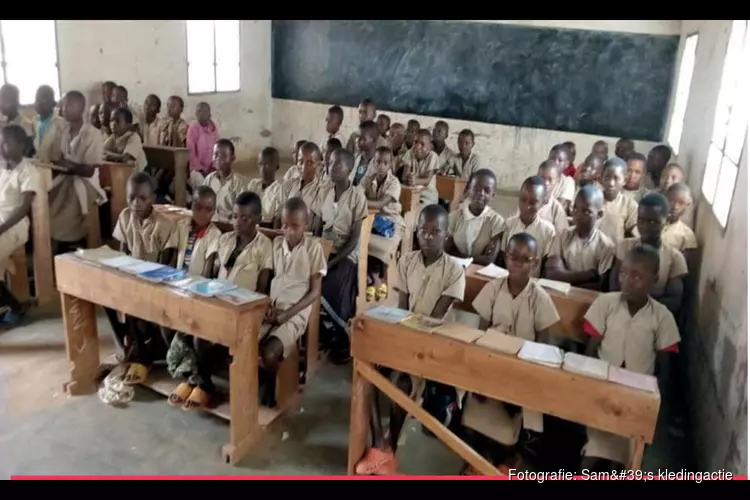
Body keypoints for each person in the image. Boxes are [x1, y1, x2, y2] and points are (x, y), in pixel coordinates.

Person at [355, 204, 465, 476]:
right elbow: (402, 310)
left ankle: (389, 447)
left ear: (446, 235)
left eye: (435, 232)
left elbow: (435, 319)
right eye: (423, 231)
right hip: (406, 336)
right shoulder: (407, 261)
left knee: (398, 383)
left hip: (432, 345)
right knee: (365, 371)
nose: (428, 237)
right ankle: (381, 445)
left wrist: (404, 342)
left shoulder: (453, 271)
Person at [461, 232, 560, 475]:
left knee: (513, 416)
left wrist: (521, 391)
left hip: (522, 369)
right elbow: (480, 335)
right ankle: (479, 457)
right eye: (513, 256)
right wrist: (477, 378)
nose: (517, 262)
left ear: (535, 263)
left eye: (525, 259)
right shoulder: (494, 288)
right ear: (506, 257)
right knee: (474, 411)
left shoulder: (540, 299)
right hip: (490, 361)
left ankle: (508, 459)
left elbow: (545, 351)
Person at [167, 191, 272, 409]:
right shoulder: (224, 240)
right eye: (234, 216)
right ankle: (195, 380)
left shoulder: (264, 247)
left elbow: (261, 289)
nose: (237, 222)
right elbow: (211, 276)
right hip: (218, 303)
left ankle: (204, 385)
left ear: (257, 219)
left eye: (244, 217)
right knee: (181, 324)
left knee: (200, 338)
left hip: (243, 310)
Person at [581, 244, 680, 472]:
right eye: (623, 273)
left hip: (637, 397)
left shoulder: (662, 317)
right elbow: (590, 351)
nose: (626, 280)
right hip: (602, 388)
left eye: (637, 276)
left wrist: (654, 410)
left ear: (654, 280)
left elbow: (664, 369)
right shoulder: (605, 304)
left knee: (626, 461)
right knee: (593, 456)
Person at [110, 172, 177, 384]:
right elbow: (121, 253)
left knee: (135, 300)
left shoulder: (163, 224)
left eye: (142, 198)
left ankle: (143, 354)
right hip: (133, 279)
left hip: (157, 282)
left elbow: (166, 264)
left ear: (153, 197)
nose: (136, 203)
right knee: (106, 295)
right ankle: (130, 345)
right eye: (131, 198)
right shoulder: (125, 217)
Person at [262, 197, 327, 406]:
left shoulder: (313, 249)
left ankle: (270, 385)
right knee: (244, 340)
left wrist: (286, 315)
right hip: (273, 309)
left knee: (270, 351)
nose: (289, 231)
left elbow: (314, 293)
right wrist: (267, 306)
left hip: (294, 313)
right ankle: (252, 379)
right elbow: (269, 279)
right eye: (285, 225)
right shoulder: (276, 244)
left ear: (305, 226)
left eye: (295, 226)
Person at [319, 148, 368, 343]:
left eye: (338, 164)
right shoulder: (324, 191)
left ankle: (341, 333)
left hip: (346, 250)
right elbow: (316, 227)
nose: (332, 167)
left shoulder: (357, 196)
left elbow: (355, 238)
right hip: (324, 245)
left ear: (349, 169)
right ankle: (320, 327)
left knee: (337, 279)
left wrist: (332, 263)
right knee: (308, 276)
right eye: (330, 162)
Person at [610, 193, 688, 316]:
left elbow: (674, 301)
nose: (645, 226)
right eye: (641, 220)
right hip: (621, 311)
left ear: (666, 220)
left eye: (653, 222)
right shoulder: (625, 247)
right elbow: (613, 285)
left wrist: (640, 307)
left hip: (654, 316)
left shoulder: (674, 258)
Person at [49, 91, 107, 254]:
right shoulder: (63, 131)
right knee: (45, 199)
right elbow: (57, 160)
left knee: (61, 212)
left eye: (66, 105)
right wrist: (63, 165)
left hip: (85, 184)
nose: (62, 109)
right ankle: (57, 246)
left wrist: (68, 165)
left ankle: (61, 248)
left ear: (78, 107)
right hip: (66, 179)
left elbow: (88, 171)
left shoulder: (92, 134)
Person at [0, 125, 43, 324]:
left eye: (6, 143)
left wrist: (1, 228)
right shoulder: (2, 169)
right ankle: (13, 307)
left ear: (20, 145)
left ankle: (16, 308)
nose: (2, 147)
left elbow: (24, 208)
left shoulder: (27, 170)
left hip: (14, 226)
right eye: (0, 142)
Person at [544, 185, 614, 290]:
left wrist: (564, 277)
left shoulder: (606, 246)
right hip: (560, 298)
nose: (578, 215)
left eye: (586, 211)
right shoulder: (562, 236)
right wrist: (588, 275)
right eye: (575, 208)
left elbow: (600, 286)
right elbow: (551, 274)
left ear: (599, 214)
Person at [363, 146, 405, 301]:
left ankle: (378, 278)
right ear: (374, 162)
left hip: (391, 222)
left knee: (383, 245)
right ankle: (371, 277)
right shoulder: (367, 180)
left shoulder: (394, 183)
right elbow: (356, 195)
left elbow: (381, 204)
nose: (381, 166)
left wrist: (362, 202)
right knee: (362, 241)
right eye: (378, 162)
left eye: (385, 163)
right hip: (371, 219)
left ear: (390, 164)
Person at [499, 176, 556, 278]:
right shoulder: (509, 224)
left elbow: (545, 270)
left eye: (533, 202)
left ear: (543, 203)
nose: (527, 206)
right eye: (523, 199)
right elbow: (502, 259)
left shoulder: (548, 231)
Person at [445, 169, 505, 266]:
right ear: (469, 189)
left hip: (481, 273)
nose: (481, 193)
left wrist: (461, 257)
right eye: (476, 188)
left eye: (487, 190)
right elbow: (446, 251)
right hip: (455, 270)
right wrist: (473, 259)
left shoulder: (497, 222)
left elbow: (489, 259)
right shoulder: (454, 217)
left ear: (493, 195)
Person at [634, 183, 697, 255]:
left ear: (687, 205)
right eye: (671, 201)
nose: (675, 207)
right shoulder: (645, 222)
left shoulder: (687, 235)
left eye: (681, 203)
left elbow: (687, 263)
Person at [276, 141, 326, 229]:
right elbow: (278, 216)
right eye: (300, 161)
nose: (303, 167)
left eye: (310, 163)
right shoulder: (288, 185)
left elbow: (318, 225)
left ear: (318, 165)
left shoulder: (321, 191)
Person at [203, 139, 248, 228]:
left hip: (230, 227)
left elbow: (241, 213)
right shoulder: (209, 179)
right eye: (215, 154)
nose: (217, 158)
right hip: (210, 224)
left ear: (232, 158)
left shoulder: (239, 182)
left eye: (222, 155)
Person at [597, 157, 638, 244]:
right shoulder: (592, 199)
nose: (611, 183)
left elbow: (635, 237)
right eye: (607, 178)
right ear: (601, 178)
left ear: (625, 180)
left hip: (615, 254)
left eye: (616, 178)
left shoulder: (629, 205)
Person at [397, 129, 440, 205]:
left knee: (417, 209)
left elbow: (427, 181)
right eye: (415, 142)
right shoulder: (410, 152)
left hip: (427, 195)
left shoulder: (433, 156)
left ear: (430, 146)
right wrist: (409, 177)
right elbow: (404, 177)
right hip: (410, 193)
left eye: (422, 144)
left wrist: (415, 181)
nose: (417, 146)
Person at [103, 107, 148, 173]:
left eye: (117, 121)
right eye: (111, 120)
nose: (113, 124)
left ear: (129, 125)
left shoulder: (134, 137)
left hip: (140, 175)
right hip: (124, 173)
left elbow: (125, 158)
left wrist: (107, 155)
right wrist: (114, 156)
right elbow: (100, 151)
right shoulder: (113, 137)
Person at [187, 102, 220, 190]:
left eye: (204, 111)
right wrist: (201, 170)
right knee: (203, 187)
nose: (201, 114)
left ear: (210, 114)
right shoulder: (193, 129)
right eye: (199, 111)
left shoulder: (214, 129)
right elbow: (191, 153)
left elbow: (217, 151)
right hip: (197, 170)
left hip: (212, 168)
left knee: (218, 187)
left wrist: (213, 167)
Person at [247, 146, 283, 227]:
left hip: (267, 228)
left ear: (277, 166)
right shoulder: (253, 184)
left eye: (267, 165)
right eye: (260, 164)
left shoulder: (279, 189)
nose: (263, 169)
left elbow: (277, 220)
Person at [32, 85, 66, 163]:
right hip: (40, 168)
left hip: (55, 170)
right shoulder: (35, 121)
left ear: (52, 103)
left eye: (44, 99)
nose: (39, 103)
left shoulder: (61, 123)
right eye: (37, 99)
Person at [537, 159, 571, 232]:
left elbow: (562, 236)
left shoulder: (556, 209)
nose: (546, 183)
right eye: (542, 178)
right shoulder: (527, 201)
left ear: (557, 181)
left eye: (550, 179)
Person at [0, 84, 33, 150]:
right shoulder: (1, 122)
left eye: (6, 100)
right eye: (1, 99)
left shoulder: (25, 125)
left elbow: (28, 152)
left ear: (16, 102)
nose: (1, 103)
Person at [546, 144, 576, 209]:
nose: (555, 162)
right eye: (552, 158)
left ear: (566, 164)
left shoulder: (568, 182)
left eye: (560, 160)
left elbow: (560, 207)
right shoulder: (540, 177)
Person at [352, 120, 379, 186]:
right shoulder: (353, 158)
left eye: (363, 138)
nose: (358, 140)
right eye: (357, 137)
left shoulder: (380, 163)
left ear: (374, 140)